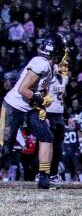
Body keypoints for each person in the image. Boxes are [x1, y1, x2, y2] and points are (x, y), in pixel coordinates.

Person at [0, 34, 67, 189]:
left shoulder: (49, 66)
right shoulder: (40, 63)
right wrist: (41, 101)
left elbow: (38, 89)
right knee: (4, 147)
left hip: (30, 107)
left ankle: (44, 177)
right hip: (13, 106)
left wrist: (41, 104)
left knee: (47, 136)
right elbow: (23, 89)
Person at [45, 56, 70, 185]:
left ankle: (53, 174)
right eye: (60, 65)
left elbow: (62, 100)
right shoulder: (48, 79)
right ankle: (43, 173)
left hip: (59, 116)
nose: (62, 68)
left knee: (57, 147)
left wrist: (67, 115)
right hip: (48, 114)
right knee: (46, 146)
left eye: (64, 66)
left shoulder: (64, 79)